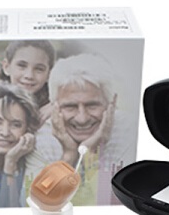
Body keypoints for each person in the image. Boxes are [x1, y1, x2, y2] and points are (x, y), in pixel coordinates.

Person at [35, 53, 134, 204]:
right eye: (70, 106)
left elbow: (114, 205)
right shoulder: (41, 140)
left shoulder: (131, 133)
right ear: (54, 106)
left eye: (92, 105)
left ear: (112, 103)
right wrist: (69, 156)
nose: (82, 118)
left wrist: (92, 153)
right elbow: (40, 201)